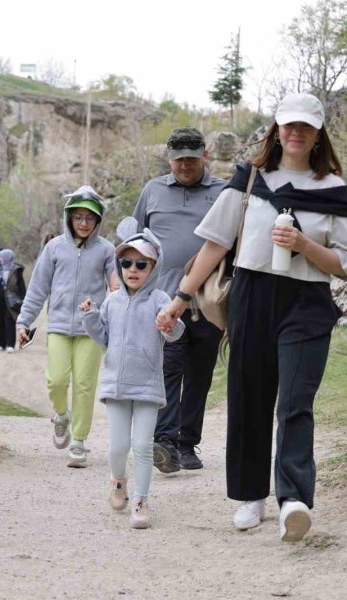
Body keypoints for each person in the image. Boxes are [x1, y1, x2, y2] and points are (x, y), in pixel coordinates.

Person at [158, 92, 347, 543]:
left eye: (305, 126)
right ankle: (251, 494)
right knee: (249, 396)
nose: (295, 133)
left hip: (307, 301)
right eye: (289, 125)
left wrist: (304, 246)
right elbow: (214, 244)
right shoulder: (250, 179)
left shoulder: (333, 190)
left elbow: (344, 263)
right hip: (251, 294)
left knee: (295, 402)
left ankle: (294, 500)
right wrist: (180, 298)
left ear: (318, 132)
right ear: (277, 128)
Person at [133, 126, 227, 473]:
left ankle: (188, 443)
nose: (184, 166)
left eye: (191, 159)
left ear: (204, 156)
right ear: (169, 159)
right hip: (163, 299)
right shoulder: (152, 190)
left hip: (208, 302)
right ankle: (166, 441)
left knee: (199, 374)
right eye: (178, 160)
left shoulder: (222, 192)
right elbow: (136, 238)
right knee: (168, 368)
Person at [80, 222, 184, 529]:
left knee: (142, 446)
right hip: (116, 385)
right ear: (118, 266)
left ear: (154, 267)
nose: (133, 269)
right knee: (117, 448)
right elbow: (103, 337)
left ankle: (141, 500)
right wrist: (89, 316)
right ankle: (118, 481)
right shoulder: (112, 300)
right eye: (126, 263)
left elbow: (176, 333)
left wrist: (171, 325)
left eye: (141, 264)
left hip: (148, 386)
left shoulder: (160, 300)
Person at [16, 185, 117, 468]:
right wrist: (24, 321)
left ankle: (79, 441)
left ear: (98, 220)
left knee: (85, 385)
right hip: (59, 325)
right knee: (57, 380)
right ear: (69, 217)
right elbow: (38, 288)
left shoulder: (107, 250)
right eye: (78, 217)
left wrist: (105, 306)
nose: (83, 223)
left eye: (90, 218)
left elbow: (116, 288)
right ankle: (61, 414)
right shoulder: (54, 248)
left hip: (91, 328)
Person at [0, 249, 26, 352]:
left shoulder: (16, 271)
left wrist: (23, 299)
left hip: (11, 300)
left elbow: (22, 287)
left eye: (1, 257)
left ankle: (10, 345)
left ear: (6, 258)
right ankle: (1, 344)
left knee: (9, 321)